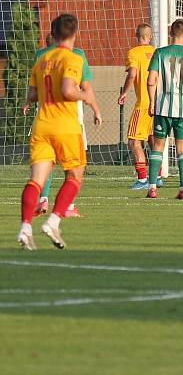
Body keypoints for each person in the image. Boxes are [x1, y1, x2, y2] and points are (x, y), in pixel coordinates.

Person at [17, 13, 100, 250]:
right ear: (74, 33)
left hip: (42, 125)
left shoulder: (41, 59)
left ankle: (25, 227)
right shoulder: (73, 58)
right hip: (65, 126)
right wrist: (85, 98)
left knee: (36, 179)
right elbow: (68, 90)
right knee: (75, 176)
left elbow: (32, 95)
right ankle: (53, 221)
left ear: (53, 33)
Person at [145, 19, 183, 199]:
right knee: (182, 149)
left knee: (158, 146)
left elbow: (151, 80)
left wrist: (151, 101)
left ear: (171, 33)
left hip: (163, 107)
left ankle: (152, 187)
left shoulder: (159, 53)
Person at [118, 23, 160, 189]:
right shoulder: (157, 53)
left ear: (136, 36)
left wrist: (125, 92)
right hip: (158, 104)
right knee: (152, 140)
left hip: (143, 104)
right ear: (150, 37)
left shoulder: (133, 53)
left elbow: (133, 74)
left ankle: (143, 179)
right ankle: (157, 176)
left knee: (134, 142)